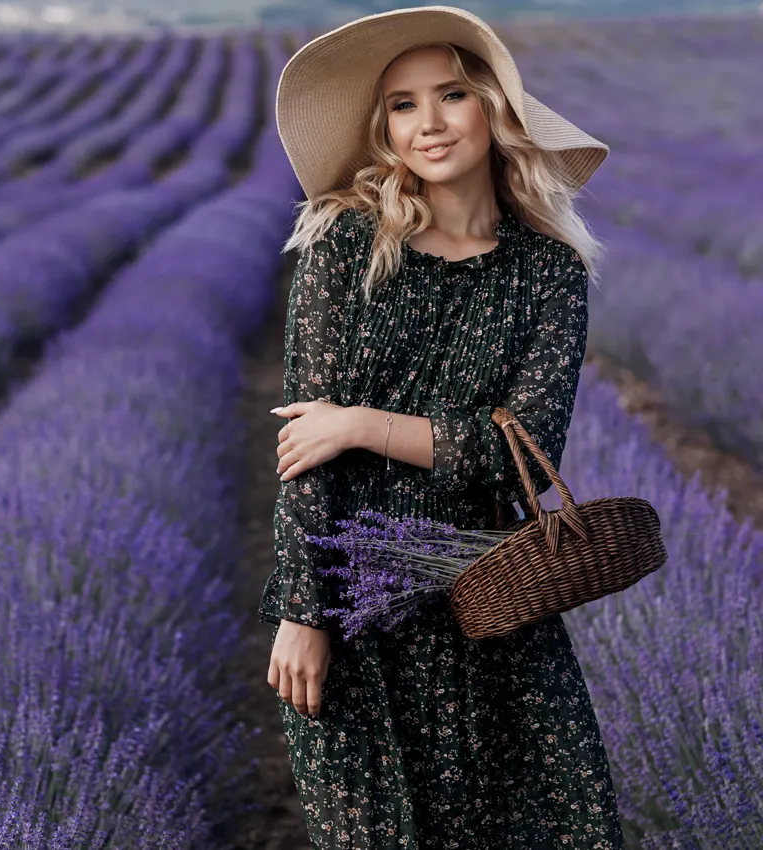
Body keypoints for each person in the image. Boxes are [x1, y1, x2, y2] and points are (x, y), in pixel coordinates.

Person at [256, 6, 623, 849]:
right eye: (403, 104)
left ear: (493, 108)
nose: (429, 122)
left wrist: (361, 424)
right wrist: (305, 612)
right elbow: (303, 450)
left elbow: (519, 453)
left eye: (451, 94)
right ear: (384, 128)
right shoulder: (345, 248)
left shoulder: (549, 273)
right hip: (356, 611)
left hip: (492, 600)